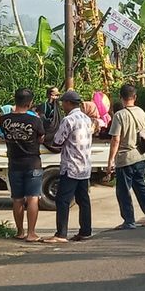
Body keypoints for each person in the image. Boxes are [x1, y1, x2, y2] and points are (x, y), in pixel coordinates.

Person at [108, 84, 145, 229]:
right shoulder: (141, 112)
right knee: (140, 186)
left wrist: (110, 160)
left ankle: (129, 220)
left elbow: (116, 139)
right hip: (140, 155)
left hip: (125, 157)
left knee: (123, 190)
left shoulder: (120, 115)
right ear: (135, 97)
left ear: (121, 97)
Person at [44, 90, 93, 243]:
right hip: (84, 165)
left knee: (62, 200)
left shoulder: (69, 120)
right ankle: (85, 231)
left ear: (68, 103)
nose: (62, 106)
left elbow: (58, 141)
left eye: (63, 102)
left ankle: (61, 234)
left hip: (71, 165)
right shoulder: (86, 118)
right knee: (83, 200)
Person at [0, 88, 45, 242]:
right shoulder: (35, 120)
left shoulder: (4, 120)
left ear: (15, 100)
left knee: (17, 199)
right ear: (30, 103)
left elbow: (1, 135)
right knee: (32, 198)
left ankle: (20, 232)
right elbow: (41, 138)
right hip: (33, 164)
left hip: (14, 164)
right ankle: (31, 233)